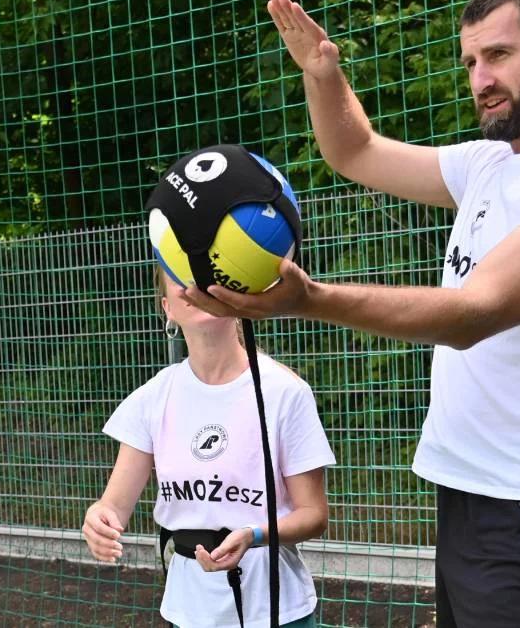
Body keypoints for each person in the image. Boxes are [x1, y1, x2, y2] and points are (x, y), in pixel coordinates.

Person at [181, 0, 520, 628]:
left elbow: (475, 312)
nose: (481, 78)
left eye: (499, 55)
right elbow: (356, 151)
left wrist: (310, 299)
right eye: (470, 62)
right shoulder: (485, 165)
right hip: (466, 493)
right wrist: (323, 73)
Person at [81, 269, 336, 628]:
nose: (194, 285)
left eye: (203, 275)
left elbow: (314, 515)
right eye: (180, 276)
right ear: (168, 308)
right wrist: (99, 519)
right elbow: (113, 507)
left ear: (234, 297)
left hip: (276, 610)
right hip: (187, 610)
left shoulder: (284, 391)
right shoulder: (153, 398)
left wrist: (254, 535)